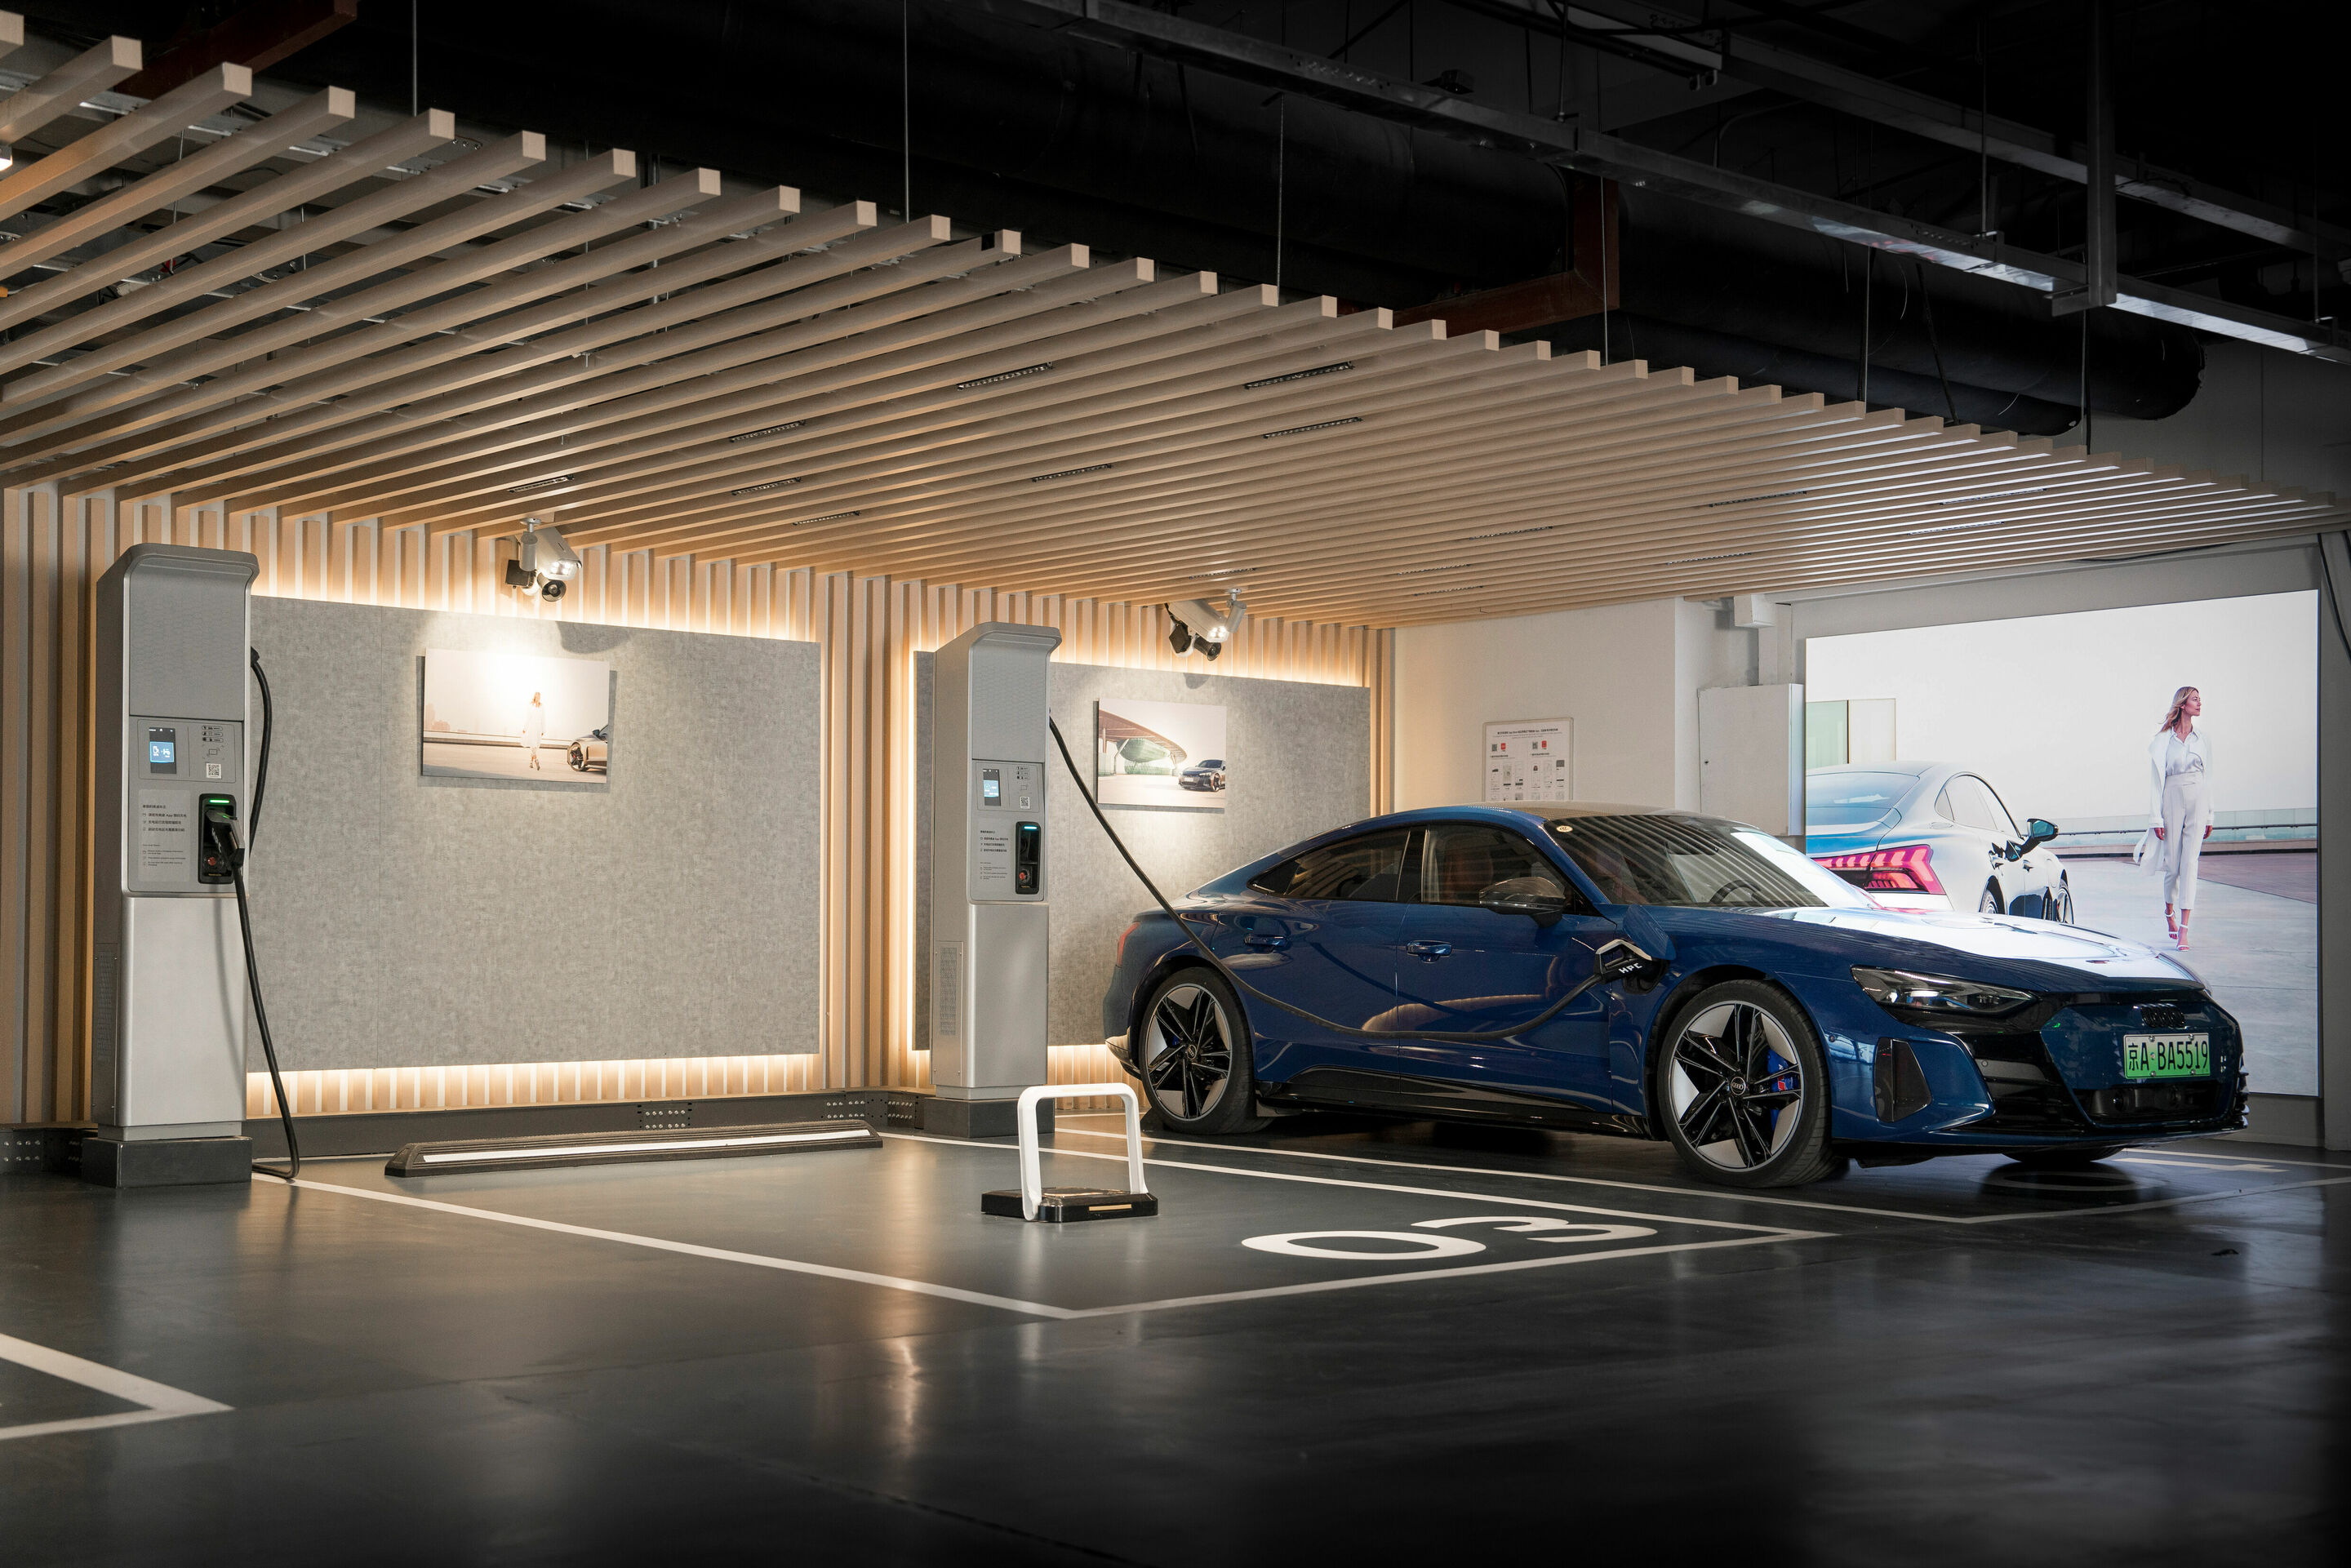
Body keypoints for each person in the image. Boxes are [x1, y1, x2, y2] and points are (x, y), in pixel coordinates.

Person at [2145, 685, 2212, 948]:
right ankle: (2169, 913)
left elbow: (2210, 778)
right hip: (2171, 797)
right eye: (2195, 699)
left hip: (2198, 796)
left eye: (2200, 700)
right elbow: (2155, 782)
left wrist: (2210, 814)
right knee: (2172, 865)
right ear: (2183, 704)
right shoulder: (2163, 740)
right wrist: (2155, 818)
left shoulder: (2203, 740)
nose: (2200, 703)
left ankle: (2184, 929)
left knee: (2190, 864)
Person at [518, 691, 546, 772]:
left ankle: (531, 762)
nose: (538, 698)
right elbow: (528, 718)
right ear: (535, 697)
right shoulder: (531, 705)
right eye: (537, 697)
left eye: (539, 697)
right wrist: (525, 728)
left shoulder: (542, 706)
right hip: (532, 727)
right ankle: (536, 760)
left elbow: (543, 718)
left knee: (536, 745)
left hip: (538, 728)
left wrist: (543, 730)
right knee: (533, 744)